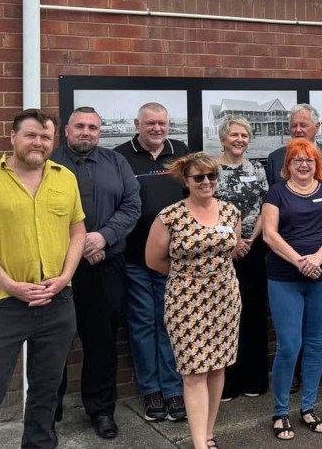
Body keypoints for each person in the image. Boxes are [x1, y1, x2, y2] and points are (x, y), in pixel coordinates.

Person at [0, 109, 86, 449]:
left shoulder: (65, 178)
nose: (38, 143)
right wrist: (11, 284)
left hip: (57, 303)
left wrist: (65, 277)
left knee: (46, 391)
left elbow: (77, 231)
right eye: (31, 135)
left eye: (45, 137)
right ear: (13, 137)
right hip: (6, 304)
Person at [52, 106, 141, 439]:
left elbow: (132, 205)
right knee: (55, 343)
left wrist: (103, 236)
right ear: (67, 130)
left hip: (106, 265)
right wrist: (78, 245)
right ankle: (49, 413)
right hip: (59, 269)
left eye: (92, 127)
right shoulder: (49, 163)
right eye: (79, 126)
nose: (86, 132)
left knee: (102, 342)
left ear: (100, 131)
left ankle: (101, 410)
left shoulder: (116, 162)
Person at [146, 152, 241, 449]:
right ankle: (199, 444)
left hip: (225, 299)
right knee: (194, 371)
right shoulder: (170, 216)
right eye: (198, 177)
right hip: (186, 302)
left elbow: (232, 251)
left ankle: (209, 432)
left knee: (217, 367)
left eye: (212, 176)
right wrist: (189, 278)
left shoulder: (231, 212)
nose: (206, 182)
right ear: (186, 181)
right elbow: (153, 259)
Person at [262, 139, 322, 440]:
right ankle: (281, 411)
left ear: (317, 164)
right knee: (288, 345)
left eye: (309, 159)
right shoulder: (277, 192)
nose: (303, 164)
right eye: (296, 159)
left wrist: (318, 258)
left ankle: (308, 407)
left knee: (315, 343)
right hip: (285, 277)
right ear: (288, 165)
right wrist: (300, 261)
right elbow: (270, 235)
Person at [115, 102, 188, 422]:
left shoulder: (182, 151)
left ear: (169, 125)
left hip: (173, 260)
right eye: (150, 123)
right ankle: (152, 392)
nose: (157, 128)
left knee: (171, 325)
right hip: (134, 259)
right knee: (143, 326)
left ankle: (173, 391)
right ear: (137, 124)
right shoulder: (119, 155)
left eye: (162, 123)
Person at [214, 117, 269, 402]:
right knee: (225, 316)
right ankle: (227, 383)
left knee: (254, 314)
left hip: (254, 248)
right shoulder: (211, 170)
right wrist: (232, 242)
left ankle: (254, 378)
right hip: (221, 252)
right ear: (223, 138)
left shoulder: (257, 169)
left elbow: (265, 206)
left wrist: (248, 240)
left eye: (244, 135)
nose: (239, 139)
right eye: (234, 134)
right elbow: (207, 207)